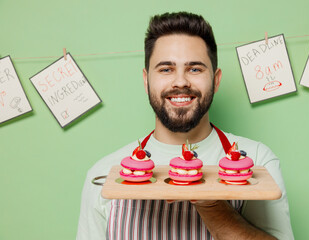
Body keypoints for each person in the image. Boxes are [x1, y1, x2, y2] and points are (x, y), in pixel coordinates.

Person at [77, 12, 294, 240]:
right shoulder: (104, 175)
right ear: (146, 80)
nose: (180, 81)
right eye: (166, 69)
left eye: (195, 69)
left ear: (216, 80)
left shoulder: (258, 163)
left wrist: (210, 204)